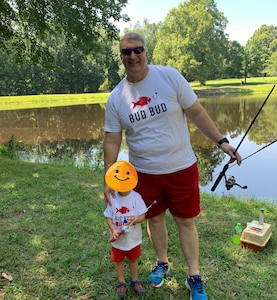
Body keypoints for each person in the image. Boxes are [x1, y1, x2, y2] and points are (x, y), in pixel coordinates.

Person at [103, 32, 242, 300]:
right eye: (126, 52)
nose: (133, 56)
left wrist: (222, 141)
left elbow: (197, 112)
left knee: (185, 221)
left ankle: (194, 276)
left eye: (137, 50)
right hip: (144, 173)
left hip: (181, 167)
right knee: (154, 220)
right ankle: (162, 262)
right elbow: (112, 140)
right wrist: (109, 178)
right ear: (121, 57)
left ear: (146, 52)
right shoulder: (117, 97)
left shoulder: (169, 76)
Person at [104, 160, 148, 299]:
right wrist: (113, 230)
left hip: (133, 240)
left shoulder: (136, 197)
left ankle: (135, 280)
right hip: (117, 241)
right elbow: (108, 217)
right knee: (119, 261)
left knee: (133, 260)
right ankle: (121, 282)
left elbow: (143, 216)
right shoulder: (113, 197)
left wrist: (135, 219)